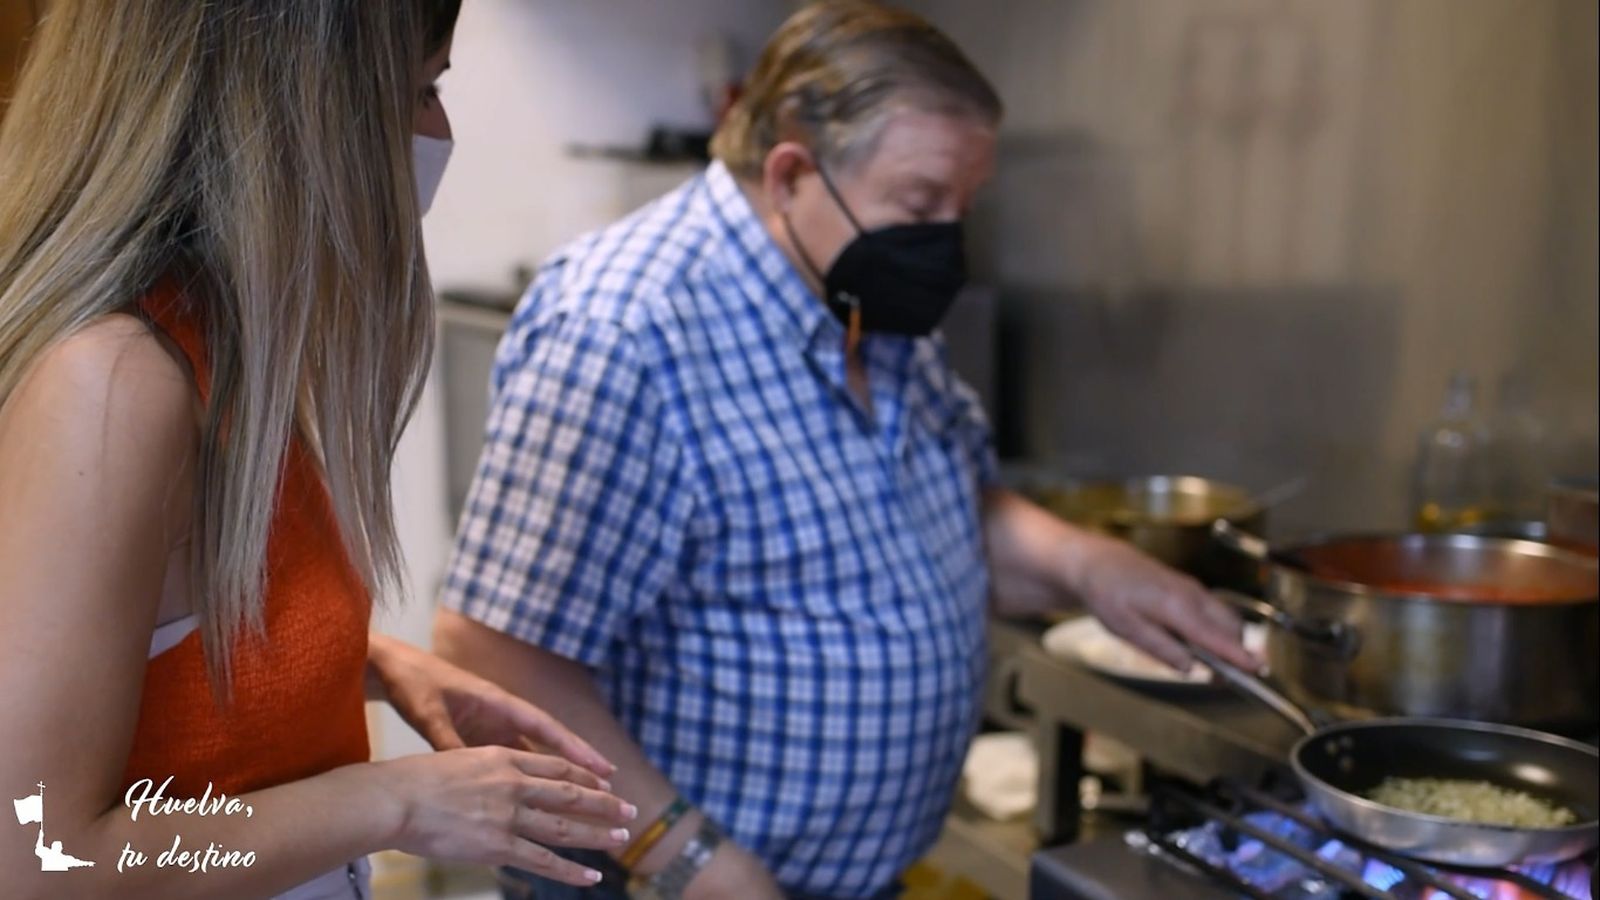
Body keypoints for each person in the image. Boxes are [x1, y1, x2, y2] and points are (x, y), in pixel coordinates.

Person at [433, 2, 1260, 898]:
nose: (945, 239)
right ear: (791, 174)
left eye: (963, 207)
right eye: (920, 203)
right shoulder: (624, 329)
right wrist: (695, 860)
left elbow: (939, 511)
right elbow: (494, 654)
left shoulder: (859, 290)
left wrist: (1094, 569)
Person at [0, 3, 637, 898]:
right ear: (299, 113)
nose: (437, 130)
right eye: (423, 89)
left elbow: (160, 647)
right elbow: (37, 863)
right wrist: (398, 804)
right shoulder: (114, 383)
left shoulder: (223, 339)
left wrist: (371, 663)